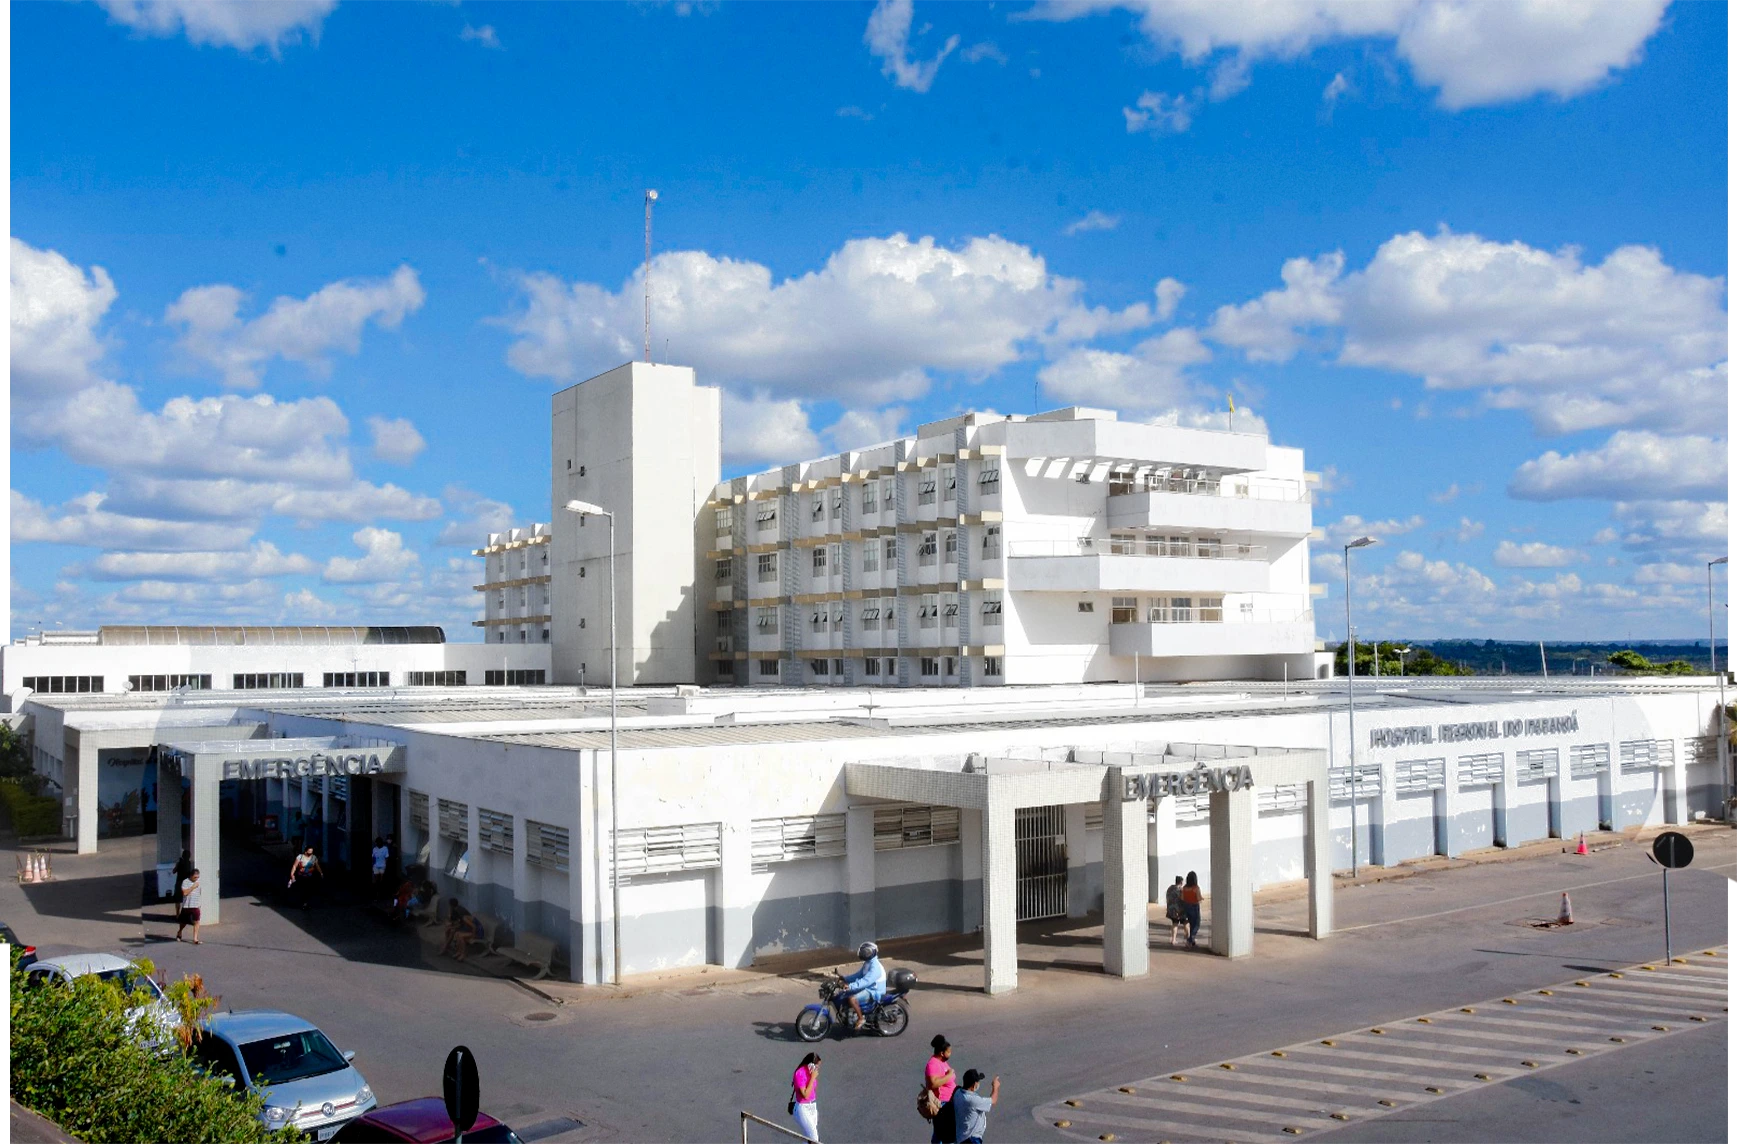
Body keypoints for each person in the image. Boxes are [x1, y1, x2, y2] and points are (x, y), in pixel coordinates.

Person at [840, 941, 885, 1030]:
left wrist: (850, 986)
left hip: (874, 990)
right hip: (869, 987)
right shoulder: (868, 963)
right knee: (844, 994)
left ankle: (861, 1018)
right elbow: (859, 975)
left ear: (870, 953)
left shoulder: (875, 967)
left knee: (852, 999)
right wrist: (845, 978)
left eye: (865, 952)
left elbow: (866, 981)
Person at [948, 1069, 999, 1144]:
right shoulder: (972, 1100)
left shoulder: (958, 1093)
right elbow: (993, 1100)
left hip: (961, 1139)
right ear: (974, 1085)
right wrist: (995, 1087)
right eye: (978, 1082)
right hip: (971, 1139)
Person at [924, 1034, 958, 1144]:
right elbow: (932, 1084)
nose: (950, 1053)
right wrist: (949, 1075)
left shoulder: (941, 1061)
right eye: (949, 1051)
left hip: (948, 1103)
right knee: (944, 1133)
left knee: (941, 1133)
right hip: (942, 1104)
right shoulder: (933, 1064)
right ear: (942, 1053)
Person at [788, 1051, 820, 1141]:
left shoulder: (811, 1073)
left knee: (808, 1139)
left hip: (812, 1106)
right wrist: (813, 1078)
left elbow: (813, 1091)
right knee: (814, 1139)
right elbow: (805, 1095)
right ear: (811, 1065)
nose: (818, 1069)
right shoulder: (800, 1073)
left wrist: (812, 1077)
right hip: (803, 1108)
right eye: (817, 1066)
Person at [176, 869, 203, 944]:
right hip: (187, 906)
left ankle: (195, 938)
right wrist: (193, 887)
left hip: (195, 905)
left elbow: (199, 892)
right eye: (195, 877)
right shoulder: (185, 882)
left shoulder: (198, 882)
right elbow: (185, 893)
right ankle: (179, 932)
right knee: (183, 922)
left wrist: (199, 904)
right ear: (191, 876)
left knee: (197, 921)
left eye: (197, 877)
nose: (196, 879)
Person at [1181, 870, 1203, 949]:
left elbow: (1182, 898)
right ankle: (1190, 940)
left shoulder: (1184, 888)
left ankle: (1192, 941)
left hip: (1187, 906)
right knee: (1196, 924)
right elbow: (1199, 898)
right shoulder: (1196, 888)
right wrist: (1201, 899)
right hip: (1194, 906)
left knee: (1191, 923)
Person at [1165, 875, 1186, 947]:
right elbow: (1183, 900)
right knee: (1184, 923)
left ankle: (1173, 939)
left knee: (1174, 923)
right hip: (1178, 910)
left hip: (1170, 909)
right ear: (1181, 882)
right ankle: (1188, 938)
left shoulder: (1170, 888)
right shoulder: (1179, 890)